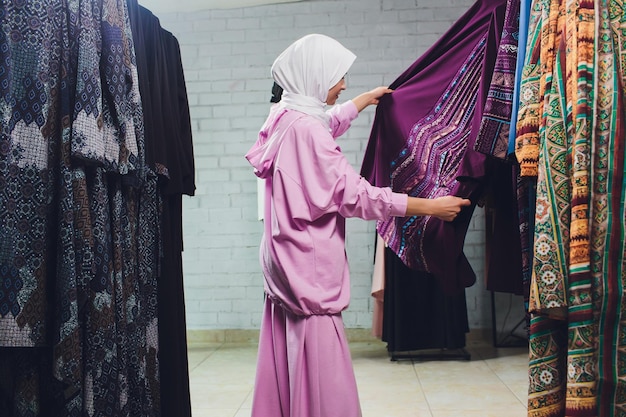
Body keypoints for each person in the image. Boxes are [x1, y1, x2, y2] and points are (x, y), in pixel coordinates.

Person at [244, 33, 471, 417]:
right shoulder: (307, 130)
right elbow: (355, 195)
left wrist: (361, 102)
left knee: (289, 344)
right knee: (321, 360)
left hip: (282, 256)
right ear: (315, 76)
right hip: (308, 264)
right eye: (338, 76)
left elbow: (321, 123)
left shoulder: (285, 116)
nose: (344, 84)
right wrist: (429, 205)